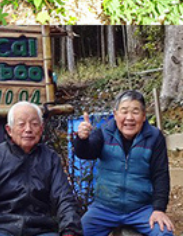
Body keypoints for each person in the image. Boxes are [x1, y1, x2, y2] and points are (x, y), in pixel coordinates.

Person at [0, 101, 82, 236]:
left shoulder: (50, 158)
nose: (28, 129)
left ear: (41, 129)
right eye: (21, 124)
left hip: (40, 228)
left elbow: (64, 198)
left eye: (34, 124)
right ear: (9, 130)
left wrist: (70, 230)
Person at [73, 91, 175, 236]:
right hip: (104, 208)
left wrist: (159, 209)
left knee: (164, 233)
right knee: (78, 232)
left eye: (135, 112)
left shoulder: (154, 137)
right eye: (124, 111)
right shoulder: (104, 132)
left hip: (141, 209)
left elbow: (161, 175)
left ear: (144, 116)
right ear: (115, 115)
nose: (129, 118)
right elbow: (85, 153)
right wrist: (82, 139)